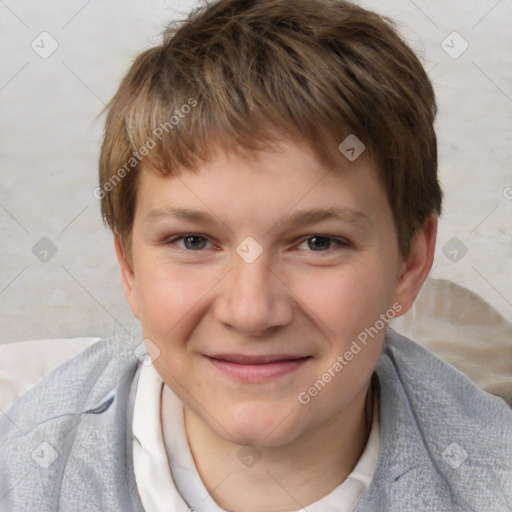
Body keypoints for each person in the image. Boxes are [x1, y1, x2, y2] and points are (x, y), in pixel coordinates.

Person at [1, 0, 511, 510]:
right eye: (193, 241)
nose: (250, 312)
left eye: (318, 243)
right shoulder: (24, 471)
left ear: (410, 264)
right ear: (129, 267)